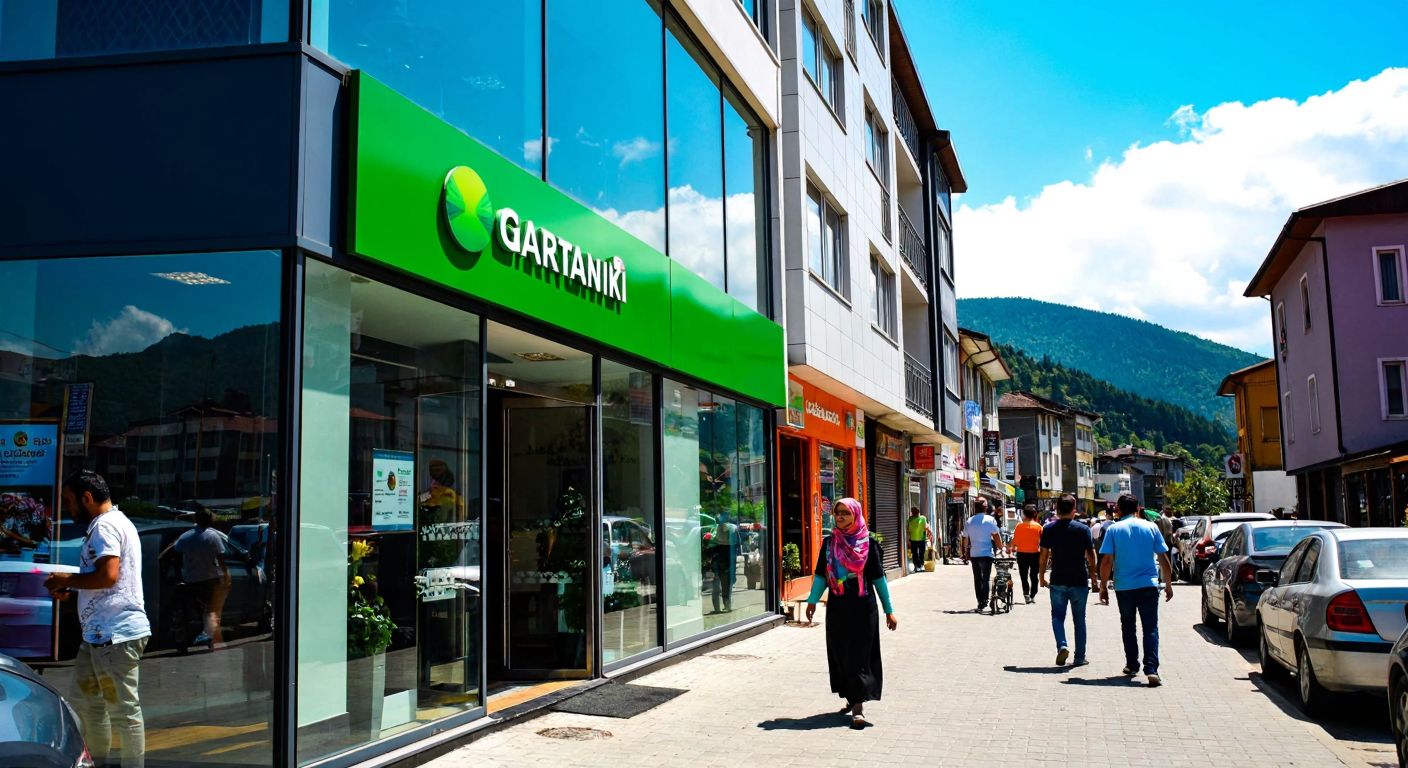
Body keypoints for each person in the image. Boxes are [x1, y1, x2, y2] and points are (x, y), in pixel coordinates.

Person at [43, 470, 151, 768]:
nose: (67, 507)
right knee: (89, 705)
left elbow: (108, 575)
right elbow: (108, 581)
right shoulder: (114, 523)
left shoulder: (105, 526)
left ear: (86, 498)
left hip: (115, 635)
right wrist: (72, 589)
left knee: (123, 711)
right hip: (99, 635)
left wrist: (69, 579)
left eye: (69, 501)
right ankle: (97, 762)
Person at [804, 498, 897, 728]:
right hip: (838, 606)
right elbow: (820, 575)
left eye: (846, 513)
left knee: (859, 655)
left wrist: (889, 610)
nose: (841, 517)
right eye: (838, 513)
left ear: (855, 515)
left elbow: (878, 579)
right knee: (840, 654)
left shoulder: (868, 544)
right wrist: (812, 600)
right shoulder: (829, 543)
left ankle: (857, 706)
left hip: (863, 606)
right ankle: (849, 693)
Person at [1098, 493, 1174, 687]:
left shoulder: (1114, 529)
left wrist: (1103, 586)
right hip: (1149, 585)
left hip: (1124, 586)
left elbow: (1107, 561)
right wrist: (1168, 584)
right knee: (1150, 627)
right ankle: (1151, 669)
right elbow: (1163, 557)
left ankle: (1132, 665)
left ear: (1119, 510)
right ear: (1138, 508)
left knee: (1128, 625)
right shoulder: (1151, 527)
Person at [1040, 494, 1098, 666]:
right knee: (1079, 619)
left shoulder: (1049, 529)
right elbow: (1091, 555)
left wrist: (1041, 575)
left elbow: (1043, 556)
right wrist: (1094, 577)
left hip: (1058, 579)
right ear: (1074, 511)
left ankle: (1062, 645)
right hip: (1079, 579)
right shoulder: (1082, 529)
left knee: (1057, 616)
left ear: (1057, 510)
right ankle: (1079, 657)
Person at [163, 505, 230, 648]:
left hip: (191, 579)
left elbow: (174, 552)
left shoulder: (185, 537)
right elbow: (221, 559)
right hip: (210, 579)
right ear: (210, 520)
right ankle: (208, 637)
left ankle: (188, 639)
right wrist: (225, 575)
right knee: (210, 609)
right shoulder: (213, 536)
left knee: (190, 610)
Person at [961, 498, 1004, 613]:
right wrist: (1001, 548)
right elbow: (996, 536)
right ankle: (984, 600)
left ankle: (980, 601)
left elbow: (965, 538)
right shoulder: (990, 520)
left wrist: (965, 552)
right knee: (985, 579)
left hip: (974, 554)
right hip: (987, 554)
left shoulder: (969, 521)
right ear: (985, 508)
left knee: (977, 578)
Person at [1011, 505, 1043, 603]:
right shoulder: (1039, 527)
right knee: (1034, 575)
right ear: (1034, 514)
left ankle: (1026, 594)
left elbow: (1014, 542)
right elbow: (1043, 543)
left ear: (1024, 514)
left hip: (1022, 554)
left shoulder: (1019, 526)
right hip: (1035, 554)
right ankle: (1033, 594)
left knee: (1023, 576)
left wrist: (1011, 549)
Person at [905, 507, 933, 574]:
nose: (915, 514)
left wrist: (929, 532)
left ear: (918, 512)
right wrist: (908, 539)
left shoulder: (923, 518)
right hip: (913, 539)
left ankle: (921, 565)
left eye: (916, 512)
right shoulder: (910, 519)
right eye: (914, 512)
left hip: (921, 539)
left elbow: (926, 526)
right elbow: (907, 529)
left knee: (921, 553)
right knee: (915, 554)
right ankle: (916, 566)